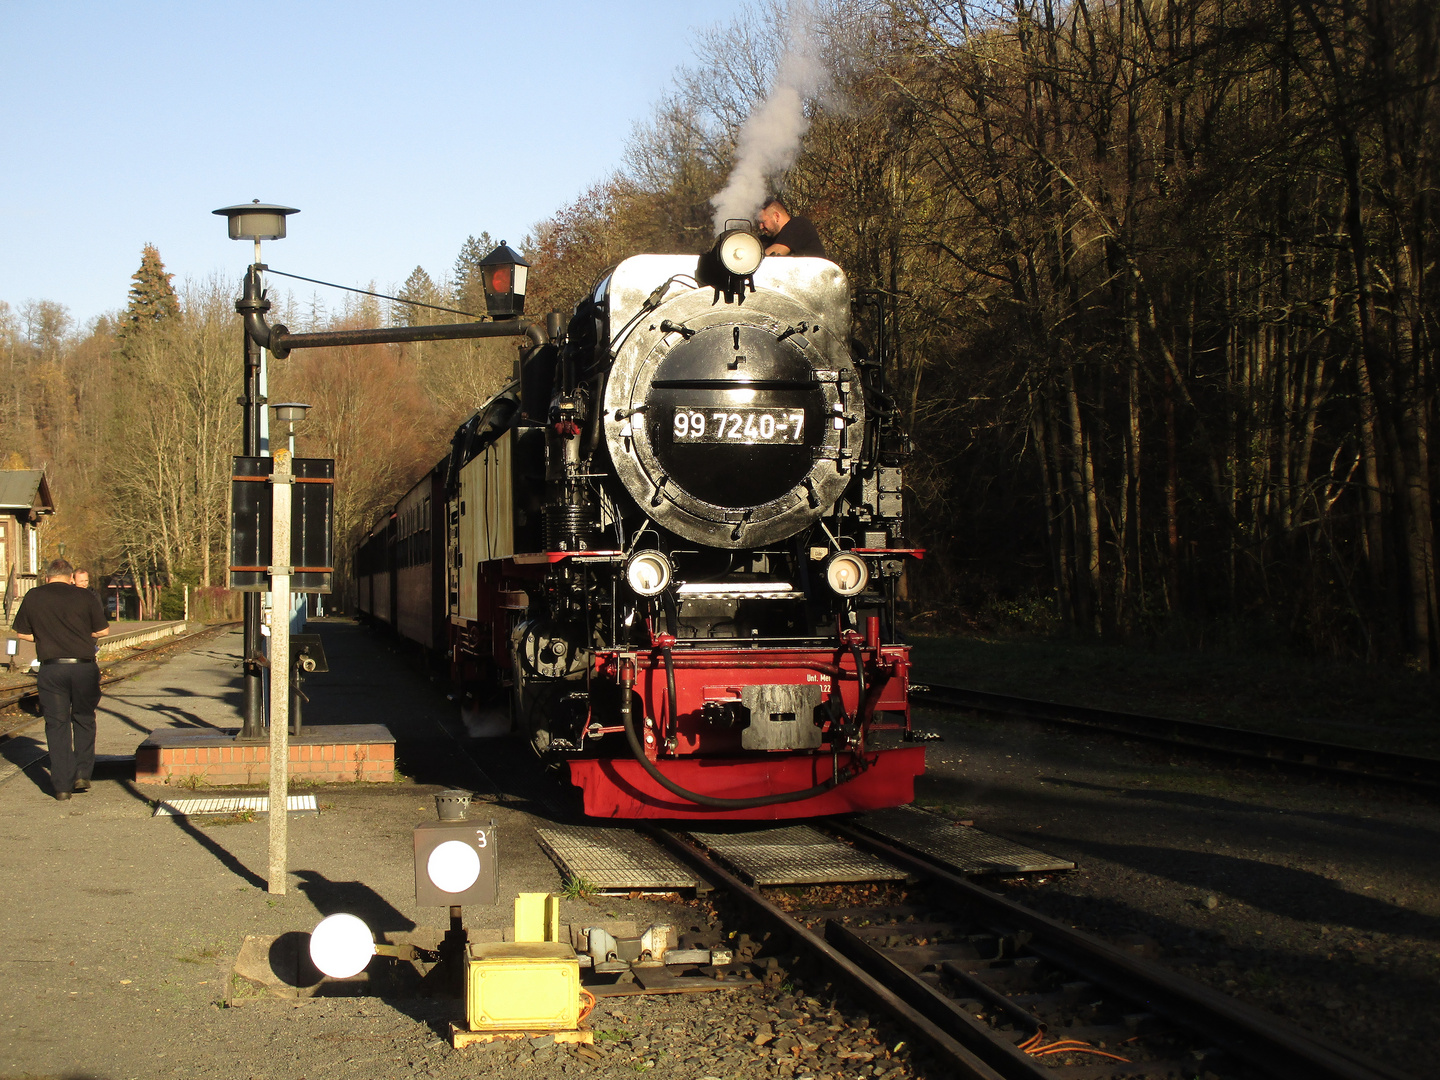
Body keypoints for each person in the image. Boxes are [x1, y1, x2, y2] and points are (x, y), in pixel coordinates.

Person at [12, 558, 110, 800]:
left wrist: (47, 636)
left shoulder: (34, 596)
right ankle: (82, 773)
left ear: (47, 577)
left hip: (51, 669)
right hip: (83, 668)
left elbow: (21, 633)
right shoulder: (85, 596)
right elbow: (103, 631)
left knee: (56, 724)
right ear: (70, 577)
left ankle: (61, 786)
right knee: (84, 718)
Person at [756, 197, 827, 259]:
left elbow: (774, 255)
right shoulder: (765, 240)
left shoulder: (799, 225)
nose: (760, 226)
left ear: (776, 216)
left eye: (763, 222)